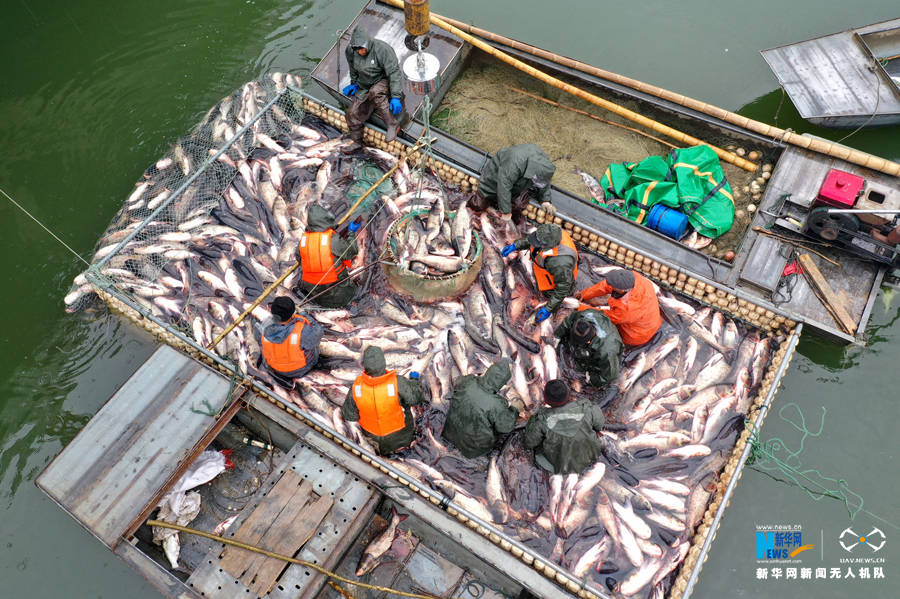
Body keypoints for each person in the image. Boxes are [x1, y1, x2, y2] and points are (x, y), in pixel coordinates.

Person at [342, 346, 425, 455]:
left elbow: (349, 415)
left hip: (373, 440)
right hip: (401, 438)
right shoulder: (398, 382)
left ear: (364, 365)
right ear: (384, 363)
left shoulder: (355, 387)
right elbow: (416, 398)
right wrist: (414, 381)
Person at [341, 27, 404, 153]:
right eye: (357, 49)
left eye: (362, 48)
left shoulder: (383, 49)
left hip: (382, 80)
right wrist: (354, 83)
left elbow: (394, 73)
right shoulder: (350, 51)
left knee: (376, 93)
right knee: (352, 113)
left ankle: (391, 123)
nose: (360, 52)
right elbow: (353, 69)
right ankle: (357, 142)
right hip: (364, 83)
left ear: (368, 43)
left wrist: (396, 96)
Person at [442, 360, 522, 459]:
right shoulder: (498, 404)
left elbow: (457, 382)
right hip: (472, 449)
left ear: (487, 372)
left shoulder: (468, 381)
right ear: (503, 383)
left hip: (449, 433)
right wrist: (514, 409)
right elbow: (504, 428)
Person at [523, 379, 606, 475]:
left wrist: (533, 419)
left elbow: (529, 443)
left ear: (546, 399)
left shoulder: (541, 419)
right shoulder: (586, 407)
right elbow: (600, 425)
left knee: (539, 454)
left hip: (559, 465)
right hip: (591, 455)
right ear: (568, 394)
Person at [501, 223, 578, 322]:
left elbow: (562, 289)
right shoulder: (550, 234)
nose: (535, 242)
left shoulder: (560, 262)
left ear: (546, 246)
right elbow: (531, 240)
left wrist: (549, 308)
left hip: (553, 285)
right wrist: (515, 246)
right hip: (544, 273)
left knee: (554, 299)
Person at [471, 143, 556, 222]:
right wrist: (506, 212)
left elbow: (544, 181)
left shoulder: (544, 167)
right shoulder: (514, 163)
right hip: (496, 177)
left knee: (517, 207)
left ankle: (502, 206)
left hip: (519, 180)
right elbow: (504, 186)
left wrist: (545, 200)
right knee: (478, 205)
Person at [296, 204, 359, 308]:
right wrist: (351, 233)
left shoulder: (302, 241)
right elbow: (352, 251)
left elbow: (299, 259)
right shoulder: (332, 240)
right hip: (342, 297)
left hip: (315, 297)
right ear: (326, 219)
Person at [578, 267, 662, 346]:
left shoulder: (628, 309)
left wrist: (580, 307)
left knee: (614, 334)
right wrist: (584, 294)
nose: (609, 284)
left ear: (621, 290)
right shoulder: (634, 278)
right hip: (648, 319)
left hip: (637, 335)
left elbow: (605, 316)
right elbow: (605, 286)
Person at [258, 296, 324, 389]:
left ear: (271, 312)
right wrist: (304, 314)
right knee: (313, 345)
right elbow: (319, 331)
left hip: (275, 367)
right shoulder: (302, 331)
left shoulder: (263, 327)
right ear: (293, 313)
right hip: (301, 370)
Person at [554, 305, 623, 387]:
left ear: (588, 341)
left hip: (608, 351)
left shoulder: (607, 351)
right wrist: (558, 335)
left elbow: (611, 375)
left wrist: (592, 380)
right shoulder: (585, 316)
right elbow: (569, 320)